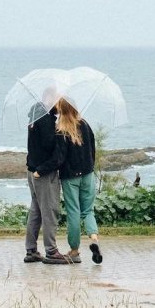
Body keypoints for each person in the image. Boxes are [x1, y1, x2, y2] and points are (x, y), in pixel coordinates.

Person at [45, 99, 104, 264]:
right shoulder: (85, 124)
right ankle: (94, 239)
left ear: (60, 110)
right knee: (88, 210)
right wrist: (90, 166)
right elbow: (92, 148)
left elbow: (60, 157)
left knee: (74, 212)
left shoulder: (61, 131)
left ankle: (74, 250)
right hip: (87, 174)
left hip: (70, 177)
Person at [24, 100, 71, 265]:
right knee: (50, 210)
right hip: (43, 173)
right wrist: (59, 133)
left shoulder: (35, 115)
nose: (59, 105)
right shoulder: (45, 119)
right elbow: (49, 144)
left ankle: (31, 250)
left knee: (36, 211)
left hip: (32, 169)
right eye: (57, 100)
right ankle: (51, 251)